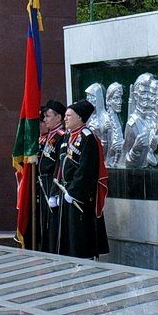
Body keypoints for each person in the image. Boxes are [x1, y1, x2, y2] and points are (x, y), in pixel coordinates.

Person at [53, 99, 110, 259]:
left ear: (79, 117)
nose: (65, 118)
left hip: (80, 196)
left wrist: (74, 191)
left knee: (80, 233)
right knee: (67, 233)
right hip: (65, 192)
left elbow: (86, 169)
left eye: (69, 115)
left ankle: (84, 260)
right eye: (65, 115)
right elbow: (60, 164)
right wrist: (55, 192)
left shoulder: (88, 138)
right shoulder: (67, 137)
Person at [36, 101, 67, 252]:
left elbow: (58, 165)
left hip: (51, 183)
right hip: (44, 182)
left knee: (52, 221)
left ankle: (53, 250)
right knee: (45, 220)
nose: (45, 119)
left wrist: (55, 191)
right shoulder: (50, 135)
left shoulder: (61, 136)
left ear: (58, 117)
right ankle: (46, 248)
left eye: (48, 116)